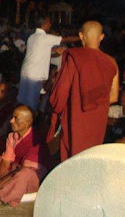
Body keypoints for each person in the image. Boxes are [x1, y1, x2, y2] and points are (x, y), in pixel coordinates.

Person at [48, 21, 119, 161]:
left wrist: (72, 103)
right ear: (101, 37)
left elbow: (61, 93)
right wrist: (95, 102)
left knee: (72, 157)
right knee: (91, 156)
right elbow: (114, 96)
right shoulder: (111, 62)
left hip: (75, 116)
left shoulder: (74, 57)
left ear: (81, 36)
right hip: (98, 117)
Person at [0, 105, 48, 206]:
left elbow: (22, 169)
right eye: (12, 117)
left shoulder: (36, 140)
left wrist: (0, 182)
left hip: (28, 177)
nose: (11, 121)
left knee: (25, 174)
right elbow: (6, 161)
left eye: (16, 118)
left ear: (27, 122)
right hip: (13, 170)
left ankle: (1, 195)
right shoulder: (12, 136)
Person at [17, 16, 78, 110]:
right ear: (44, 24)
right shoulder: (44, 37)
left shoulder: (31, 37)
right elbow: (65, 39)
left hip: (26, 71)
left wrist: (54, 50)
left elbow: (39, 50)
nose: (50, 25)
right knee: (31, 104)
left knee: (23, 99)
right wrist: (82, 37)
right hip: (34, 74)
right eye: (49, 22)